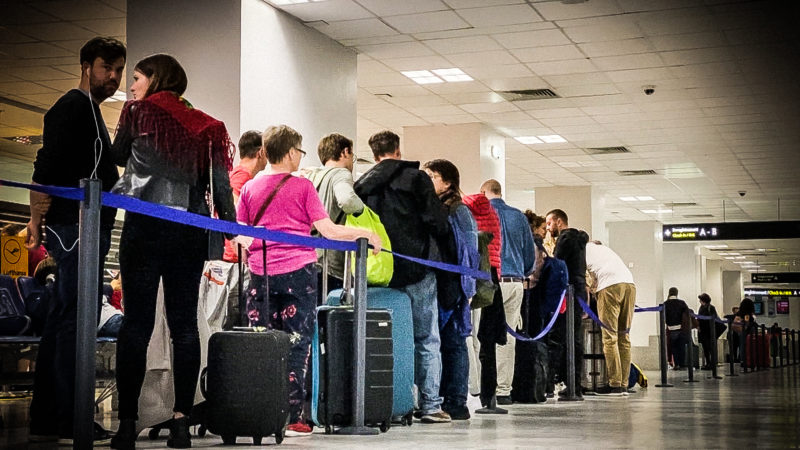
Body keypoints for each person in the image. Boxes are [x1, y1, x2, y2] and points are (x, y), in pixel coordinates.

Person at [109, 54, 236, 449]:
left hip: (143, 230)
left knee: (136, 325)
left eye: (137, 77)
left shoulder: (137, 113)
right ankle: (181, 424)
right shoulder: (210, 127)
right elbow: (220, 187)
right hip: (188, 234)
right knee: (184, 327)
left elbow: (115, 157)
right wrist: (231, 228)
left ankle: (127, 425)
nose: (131, 86)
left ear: (155, 79)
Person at [238, 125, 381, 435]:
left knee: (261, 343)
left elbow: (242, 235)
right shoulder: (302, 187)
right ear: (291, 153)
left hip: (260, 274)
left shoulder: (250, 188)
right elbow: (328, 230)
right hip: (298, 274)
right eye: (300, 151)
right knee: (297, 344)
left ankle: (260, 410)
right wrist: (365, 233)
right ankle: (290, 417)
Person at [25, 36, 125, 446]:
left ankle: (51, 416)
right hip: (74, 228)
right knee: (72, 319)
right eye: (107, 67)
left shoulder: (93, 112)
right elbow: (44, 166)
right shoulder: (70, 107)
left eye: (119, 69)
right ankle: (68, 417)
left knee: (65, 317)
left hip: (84, 226)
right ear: (86, 65)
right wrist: (35, 218)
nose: (113, 76)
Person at [354, 130, 452, 423]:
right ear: (398, 150)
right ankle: (431, 405)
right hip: (416, 269)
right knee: (426, 339)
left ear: (374, 154)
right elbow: (435, 220)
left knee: (386, 338)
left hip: (378, 271)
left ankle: (393, 402)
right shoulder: (416, 178)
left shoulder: (362, 184)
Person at [422, 159, 478, 420]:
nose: (428, 180)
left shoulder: (459, 211)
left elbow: (468, 251)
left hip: (453, 284)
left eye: (432, 176)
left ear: (448, 182)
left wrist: (466, 287)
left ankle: (456, 401)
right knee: (443, 342)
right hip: (442, 281)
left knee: (454, 343)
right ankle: (447, 398)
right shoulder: (438, 208)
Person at [481, 179, 535, 405]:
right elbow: (530, 254)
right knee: (508, 338)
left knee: (484, 336)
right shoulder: (519, 216)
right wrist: (523, 271)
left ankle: (485, 389)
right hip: (515, 283)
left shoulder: (482, 213)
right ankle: (504, 390)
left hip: (492, 280)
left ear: (484, 192)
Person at [303, 133, 364, 303]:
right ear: (345, 152)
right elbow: (347, 200)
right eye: (352, 155)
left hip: (310, 258)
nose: (352, 160)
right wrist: (364, 211)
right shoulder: (340, 174)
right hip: (332, 263)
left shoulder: (311, 176)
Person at [462, 192, 506, 412]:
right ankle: (491, 396)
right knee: (488, 338)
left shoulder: (463, 211)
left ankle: (471, 389)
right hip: (493, 275)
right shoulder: (495, 214)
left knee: (467, 335)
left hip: (471, 273)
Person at [545, 208, 588, 397]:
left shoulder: (565, 239)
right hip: (578, 291)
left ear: (559, 221)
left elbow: (557, 265)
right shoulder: (580, 241)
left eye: (549, 223)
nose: (547, 228)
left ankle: (551, 383)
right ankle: (574, 384)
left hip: (567, 291)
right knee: (575, 338)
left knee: (558, 337)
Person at [584, 241, 636, 396]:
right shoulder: (604, 249)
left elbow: (588, 281)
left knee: (609, 338)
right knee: (623, 336)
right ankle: (624, 383)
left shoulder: (582, 251)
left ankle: (614, 384)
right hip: (630, 284)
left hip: (609, 286)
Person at [664, 287, 690, 369]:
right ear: (676, 293)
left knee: (674, 347)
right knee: (681, 347)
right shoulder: (682, 303)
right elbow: (687, 314)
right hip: (681, 328)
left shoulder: (665, 304)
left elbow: (664, 316)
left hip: (671, 328)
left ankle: (676, 364)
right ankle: (682, 364)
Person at [697, 293, 719, 370]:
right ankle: (708, 363)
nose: (700, 301)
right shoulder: (702, 307)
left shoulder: (710, 307)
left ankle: (711, 363)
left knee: (709, 347)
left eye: (701, 300)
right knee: (706, 348)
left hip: (709, 331)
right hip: (704, 330)